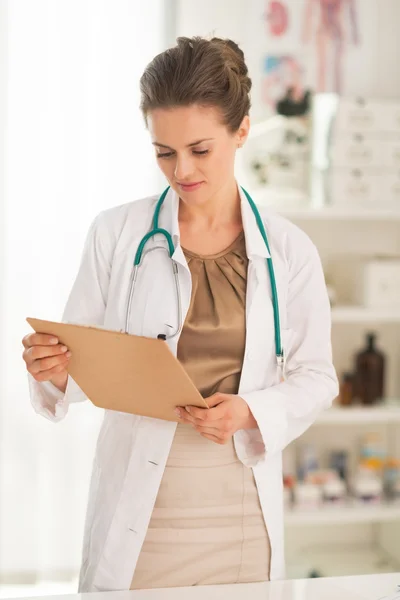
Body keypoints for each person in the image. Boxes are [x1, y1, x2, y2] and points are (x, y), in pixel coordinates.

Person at [22, 36, 338, 592]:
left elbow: (317, 376)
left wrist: (249, 410)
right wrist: (54, 367)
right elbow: (80, 360)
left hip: (238, 497)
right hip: (139, 503)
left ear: (241, 132)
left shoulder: (290, 249)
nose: (181, 169)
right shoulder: (116, 234)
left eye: (200, 148)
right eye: (164, 152)